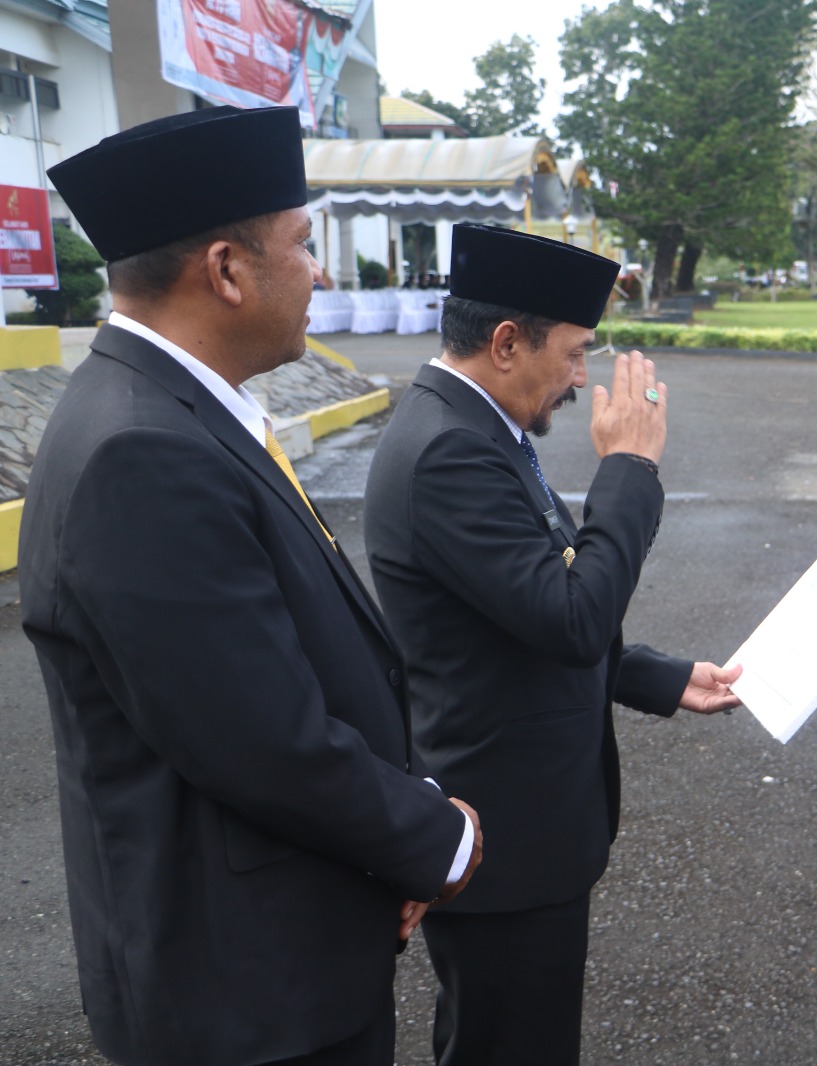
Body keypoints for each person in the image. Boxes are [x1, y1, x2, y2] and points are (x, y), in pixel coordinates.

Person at [19, 106, 481, 1066]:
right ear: (227, 271)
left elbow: (283, 662)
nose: (321, 273)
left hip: (281, 959)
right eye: (304, 246)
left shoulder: (173, 410)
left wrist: (392, 829)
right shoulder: (142, 450)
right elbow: (264, 743)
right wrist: (433, 838)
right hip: (245, 1004)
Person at [363, 223, 741, 1066]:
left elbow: (530, 613)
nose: (580, 379)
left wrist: (663, 678)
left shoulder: (477, 429)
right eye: (574, 355)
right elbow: (571, 615)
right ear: (506, 342)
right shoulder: (449, 451)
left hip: (529, 837)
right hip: (502, 845)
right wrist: (631, 471)